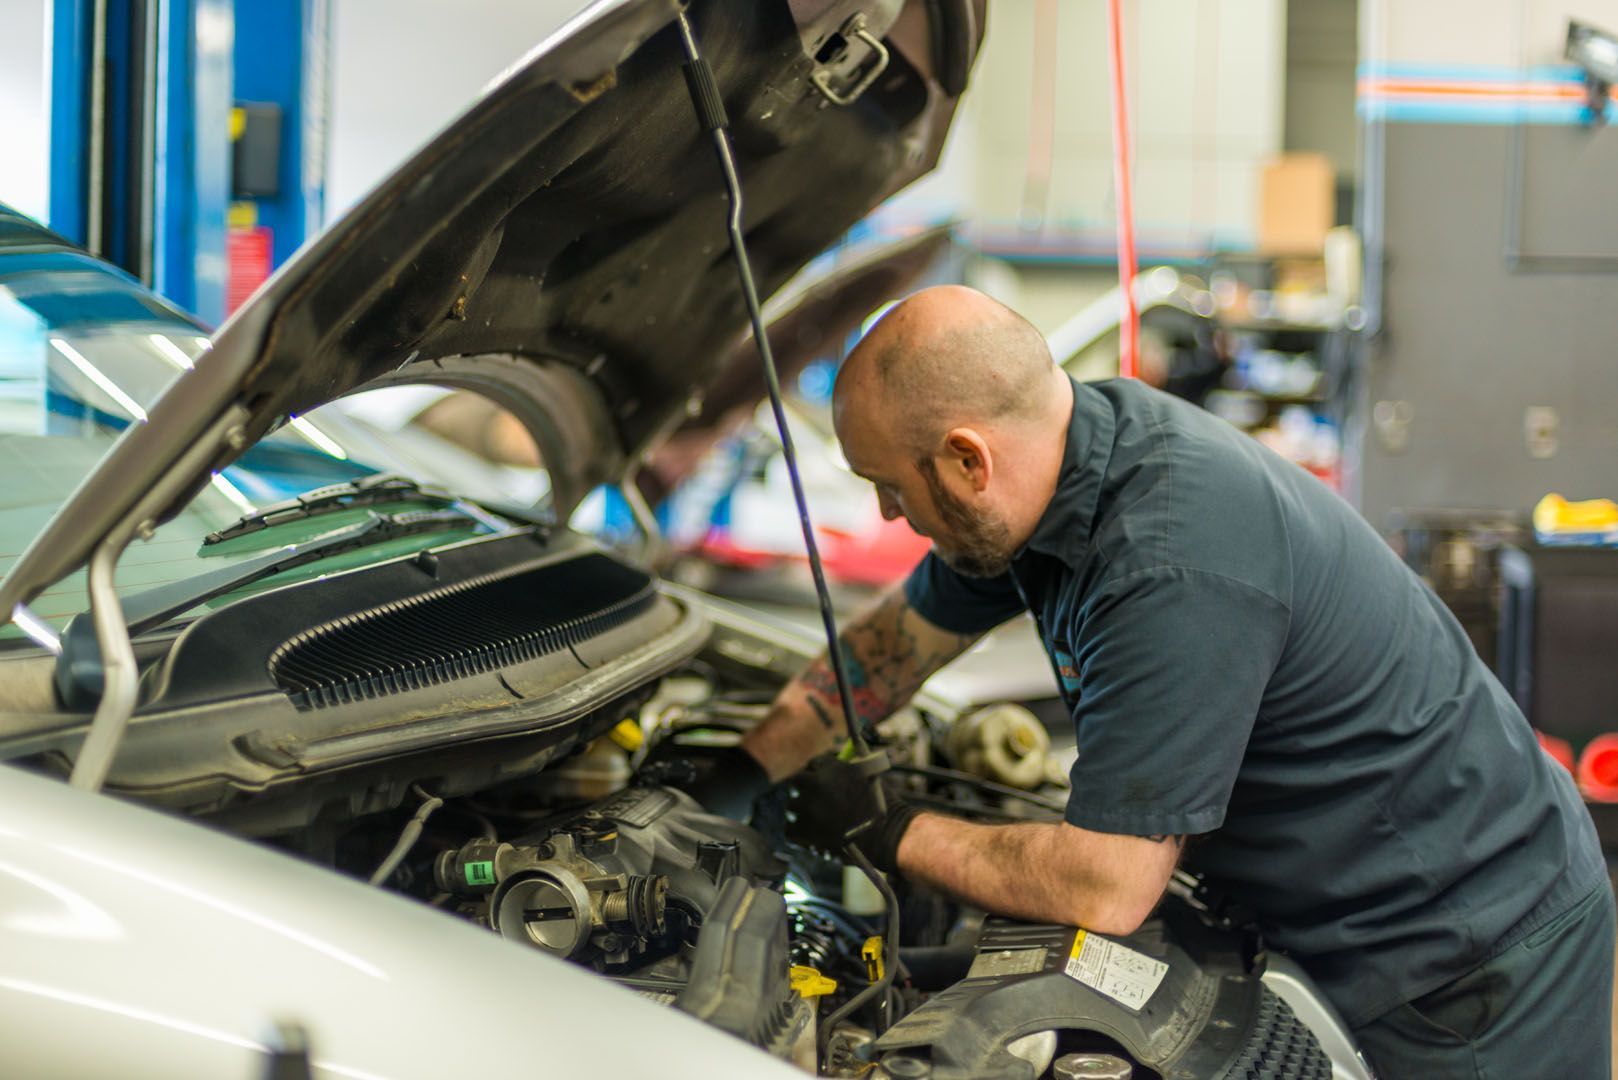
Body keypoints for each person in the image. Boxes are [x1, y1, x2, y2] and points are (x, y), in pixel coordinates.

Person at [654, 285, 1613, 1077]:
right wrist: (747, 767)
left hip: (1473, 953)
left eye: (892, 489)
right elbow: (893, 645)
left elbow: (1105, 888)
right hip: (1350, 913)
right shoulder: (1049, 473)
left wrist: (887, 827)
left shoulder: (1171, 558)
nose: (887, 514)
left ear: (965, 459)